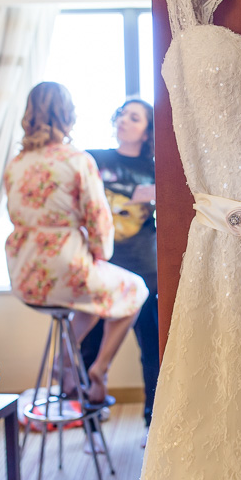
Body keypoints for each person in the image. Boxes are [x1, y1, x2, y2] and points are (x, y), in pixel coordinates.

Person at [4, 82, 148, 405]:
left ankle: (66, 360)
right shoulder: (77, 160)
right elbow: (100, 223)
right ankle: (99, 369)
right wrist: (99, 253)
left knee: (92, 295)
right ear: (67, 115)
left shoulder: (15, 164)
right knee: (135, 289)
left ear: (30, 115)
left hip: (25, 277)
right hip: (66, 271)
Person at [83, 99, 159, 427]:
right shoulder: (93, 160)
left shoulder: (159, 167)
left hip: (146, 270)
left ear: (147, 130)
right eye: (122, 115)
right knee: (89, 348)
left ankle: (151, 424)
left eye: (135, 117)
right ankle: (89, 420)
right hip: (101, 270)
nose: (124, 120)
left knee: (153, 352)